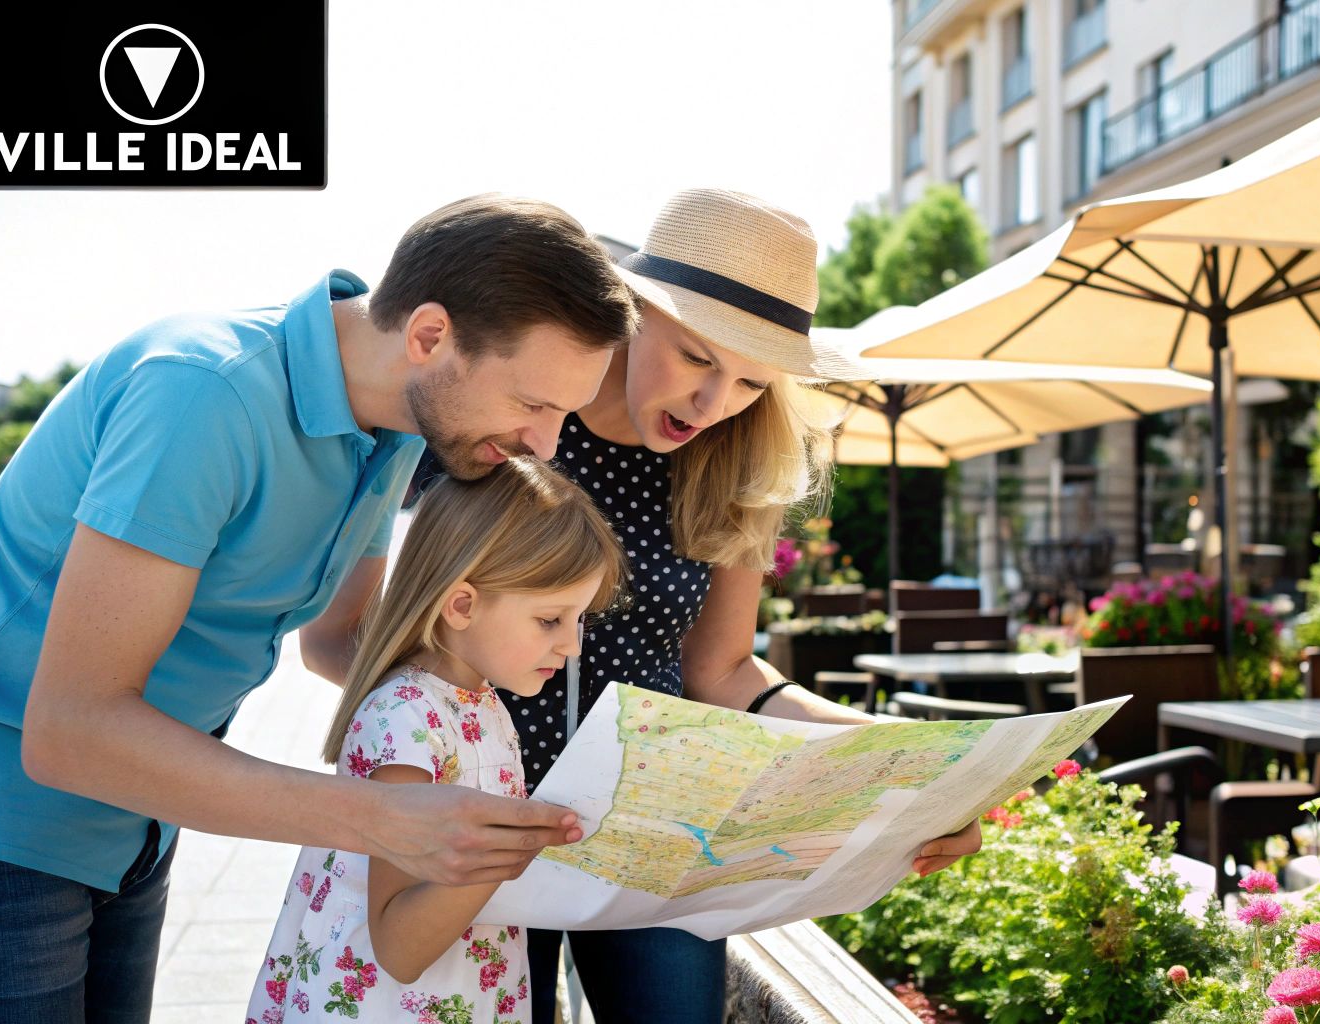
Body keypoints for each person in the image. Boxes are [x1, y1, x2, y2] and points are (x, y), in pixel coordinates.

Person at [0, 194, 639, 1023]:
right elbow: (69, 730)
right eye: (533, 403)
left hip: (136, 819)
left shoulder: (399, 423)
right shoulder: (202, 395)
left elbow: (343, 639)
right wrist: (384, 817)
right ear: (428, 336)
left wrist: (504, 763)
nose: (547, 443)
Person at [415, 188, 985, 1023]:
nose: (715, 404)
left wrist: (900, 757)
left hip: (656, 825)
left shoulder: (744, 460)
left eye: (752, 380)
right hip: (482, 809)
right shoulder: (520, 408)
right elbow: (404, 627)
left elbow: (721, 669)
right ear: (634, 312)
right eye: (696, 358)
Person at [247, 459, 626, 1023]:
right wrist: (510, 847)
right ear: (463, 605)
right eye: (551, 619)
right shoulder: (406, 720)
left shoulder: (484, 705)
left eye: (580, 620)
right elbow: (400, 947)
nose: (572, 646)